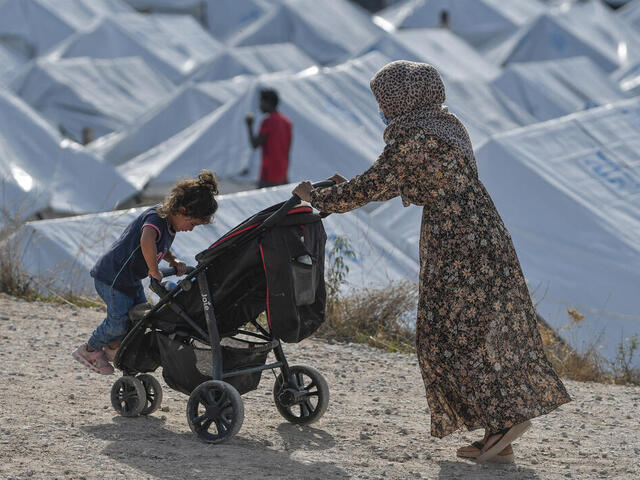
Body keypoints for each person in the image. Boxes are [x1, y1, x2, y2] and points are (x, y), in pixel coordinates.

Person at [293, 61, 571, 463]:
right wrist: (348, 185)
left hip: (456, 241)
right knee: (474, 330)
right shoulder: (446, 125)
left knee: (445, 335)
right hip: (483, 231)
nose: (382, 110)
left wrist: (314, 195)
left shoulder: (411, 137)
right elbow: (396, 178)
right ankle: (499, 437)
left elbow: (374, 186)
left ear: (403, 98)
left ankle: (505, 420)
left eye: (384, 101)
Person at [72, 171, 219, 375]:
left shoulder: (169, 225)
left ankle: (113, 347)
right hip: (112, 278)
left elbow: (161, 247)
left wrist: (173, 261)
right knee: (118, 322)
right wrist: (153, 269)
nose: (191, 229)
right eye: (192, 223)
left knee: (141, 318)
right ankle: (88, 350)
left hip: (129, 280)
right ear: (183, 210)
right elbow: (147, 241)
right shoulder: (156, 218)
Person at [244, 88, 292, 188]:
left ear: (268, 102)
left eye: (261, 102)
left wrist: (249, 126)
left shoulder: (268, 121)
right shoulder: (287, 122)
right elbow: (287, 150)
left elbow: (255, 144)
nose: (259, 105)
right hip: (282, 172)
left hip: (268, 174)